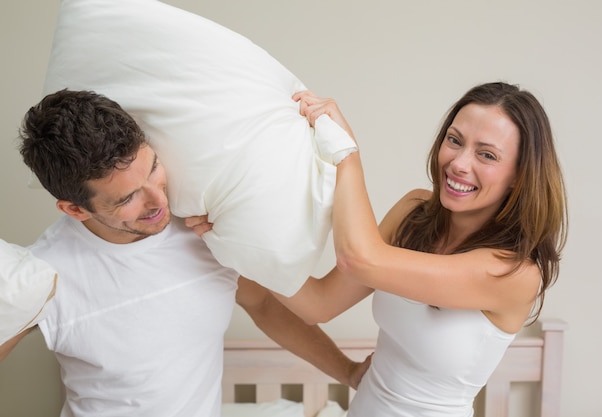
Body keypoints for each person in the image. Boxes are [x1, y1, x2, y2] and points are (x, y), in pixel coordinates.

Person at [188, 81, 568, 416]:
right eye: (454, 140)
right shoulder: (414, 214)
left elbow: (359, 259)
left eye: (486, 154)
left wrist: (345, 153)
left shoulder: (514, 273)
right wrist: (232, 232)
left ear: (520, 177)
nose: (458, 163)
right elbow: (318, 303)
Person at [0, 89, 369, 417]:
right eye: (128, 198)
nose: (158, 201)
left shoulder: (202, 225)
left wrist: (348, 371)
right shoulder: (44, 275)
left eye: (154, 168)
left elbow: (262, 304)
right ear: (75, 209)